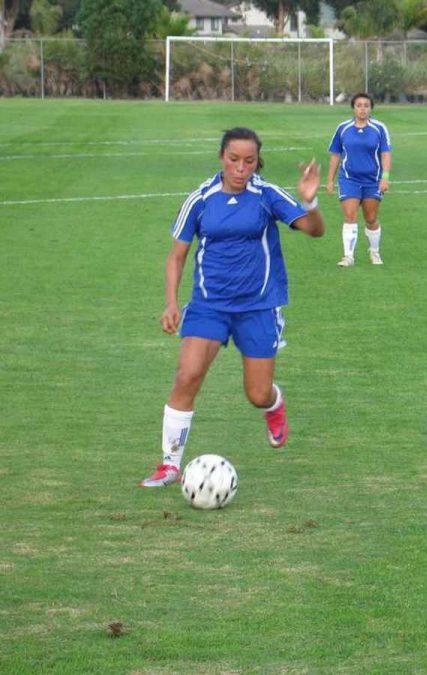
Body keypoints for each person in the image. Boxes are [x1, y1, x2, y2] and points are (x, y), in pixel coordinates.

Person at [140, 127, 325, 488]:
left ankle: (274, 405)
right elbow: (177, 256)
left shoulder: (266, 195)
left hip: (258, 307)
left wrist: (310, 202)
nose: (241, 168)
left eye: (249, 161)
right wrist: (171, 303)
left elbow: (314, 230)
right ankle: (169, 464)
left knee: (257, 394)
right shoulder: (200, 199)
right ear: (222, 157)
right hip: (210, 305)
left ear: (258, 162)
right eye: (234, 159)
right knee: (187, 375)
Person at [326, 92, 392, 267]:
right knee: (350, 215)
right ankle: (348, 256)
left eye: (366, 106)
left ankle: (374, 251)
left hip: (372, 180)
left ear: (371, 108)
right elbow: (335, 155)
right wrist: (330, 180)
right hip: (349, 179)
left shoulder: (379, 128)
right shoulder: (343, 128)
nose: (362, 109)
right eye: (359, 105)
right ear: (353, 108)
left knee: (371, 218)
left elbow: (385, 154)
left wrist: (385, 178)